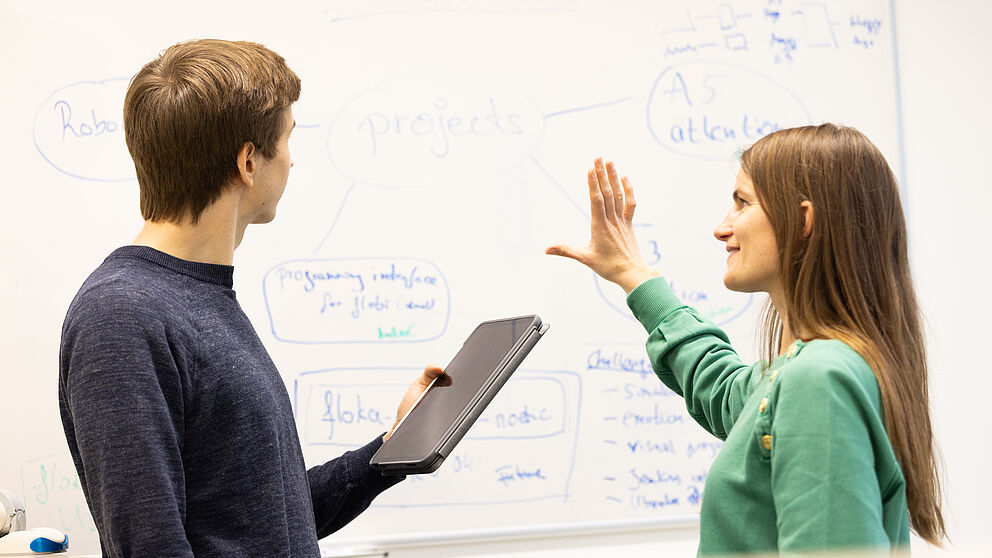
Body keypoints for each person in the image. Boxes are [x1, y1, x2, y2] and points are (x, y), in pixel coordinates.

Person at [58, 39, 446, 557]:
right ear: (248, 161)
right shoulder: (122, 316)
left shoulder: (199, 296)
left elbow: (266, 519)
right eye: (286, 139)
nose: (291, 160)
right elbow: (151, 546)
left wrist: (393, 447)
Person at [546, 124, 946, 555]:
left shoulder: (819, 380)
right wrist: (633, 274)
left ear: (803, 220)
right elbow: (722, 387)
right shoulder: (808, 370)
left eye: (742, 203)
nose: (722, 228)